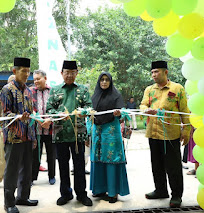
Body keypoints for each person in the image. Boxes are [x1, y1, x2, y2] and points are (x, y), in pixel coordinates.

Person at [140, 60, 191, 208]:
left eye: (156, 72)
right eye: (152, 72)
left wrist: (186, 130)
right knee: (156, 165)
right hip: (153, 133)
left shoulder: (177, 88)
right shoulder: (149, 89)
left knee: (173, 166)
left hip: (170, 134)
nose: (154, 75)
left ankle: (176, 195)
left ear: (165, 72)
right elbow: (143, 104)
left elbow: (184, 111)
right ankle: (161, 190)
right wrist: (145, 110)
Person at [46, 60, 93, 206]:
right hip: (60, 134)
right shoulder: (55, 90)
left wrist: (82, 112)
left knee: (79, 166)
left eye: (73, 73)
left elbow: (89, 107)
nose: (70, 76)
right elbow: (49, 109)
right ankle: (66, 194)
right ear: (62, 73)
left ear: (77, 73)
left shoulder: (83, 89)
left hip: (78, 134)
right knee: (63, 166)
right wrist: (59, 114)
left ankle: (81, 194)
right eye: (67, 73)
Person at [0, 57, 38, 213]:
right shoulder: (7, 90)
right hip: (13, 137)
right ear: (14, 71)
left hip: (28, 136)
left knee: (27, 170)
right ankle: (9, 203)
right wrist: (18, 116)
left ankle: (23, 197)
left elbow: (32, 114)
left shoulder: (29, 91)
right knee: (12, 171)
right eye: (23, 71)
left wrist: (34, 134)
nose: (26, 74)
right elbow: (5, 113)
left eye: (28, 71)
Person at [89, 72, 130, 203]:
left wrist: (119, 113)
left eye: (107, 80)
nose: (104, 82)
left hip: (111, 131)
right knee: (98, 158)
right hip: (97, 131)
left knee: (112, 158)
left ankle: (113, 192)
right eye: (102, 80)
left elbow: (123, 115)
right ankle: (99, 189)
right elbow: (90, 113)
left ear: (110, 82)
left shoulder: (116, 96)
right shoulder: (94, 96)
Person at [30, 70, 56, 185]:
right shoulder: (30, 92)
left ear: (45, 78)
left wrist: (50, 120)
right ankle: (32, 177)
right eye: (34, 79)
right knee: (35, 155)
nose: (36, 81)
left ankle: (52, 176)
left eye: (38, 79)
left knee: (51, 154)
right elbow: (28, 109)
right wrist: (38, 120)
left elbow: (58, 108)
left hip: (51, 129)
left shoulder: (53, 91)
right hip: (36, 129)